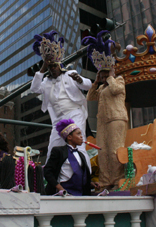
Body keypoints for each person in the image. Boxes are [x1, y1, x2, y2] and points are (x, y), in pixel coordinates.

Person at [30, 31, 92, 166]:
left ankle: (83, 174)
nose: (52, 69)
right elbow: (34, 89)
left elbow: (88, 85)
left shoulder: (71, 74)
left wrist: (80, 80)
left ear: (59, 64)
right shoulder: (46, 81)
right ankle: (50, 179)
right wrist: (43, 68)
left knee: (77, 143)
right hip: (58, 119)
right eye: (50, 67)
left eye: (54, 66)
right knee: (53, 147)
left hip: (74, 113)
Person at [83, 31, 128, 190]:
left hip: (116, 119)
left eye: (105, 73)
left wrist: (110, 74)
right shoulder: (101, 87)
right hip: (103, 122)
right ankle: (105, 182)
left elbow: (116, 90)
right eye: (101, 74)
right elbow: (90, 97)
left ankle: (117, 181)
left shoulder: (119, 80)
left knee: (114, 151)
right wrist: (96, 81)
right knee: (103, 152)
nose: (103, 76)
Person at [44, 119, 99, 196]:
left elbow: (80, 175)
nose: (81, 137)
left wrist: (90, 184)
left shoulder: (81, 155)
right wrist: (59, 188)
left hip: (80, 195)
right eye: (78, 134)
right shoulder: (58, 151)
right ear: (69, 137)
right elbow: (47, 172)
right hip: (63, 194)